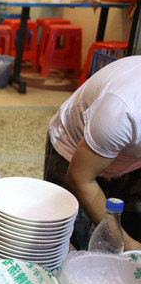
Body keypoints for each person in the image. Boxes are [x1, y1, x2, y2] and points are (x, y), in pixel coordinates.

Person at [44, 55, 141, 251]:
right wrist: (129, 247)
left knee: (132, 223)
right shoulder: (123, 111)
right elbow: (80, 178)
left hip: (130, 157)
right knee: (71, 242)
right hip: (73, 151)